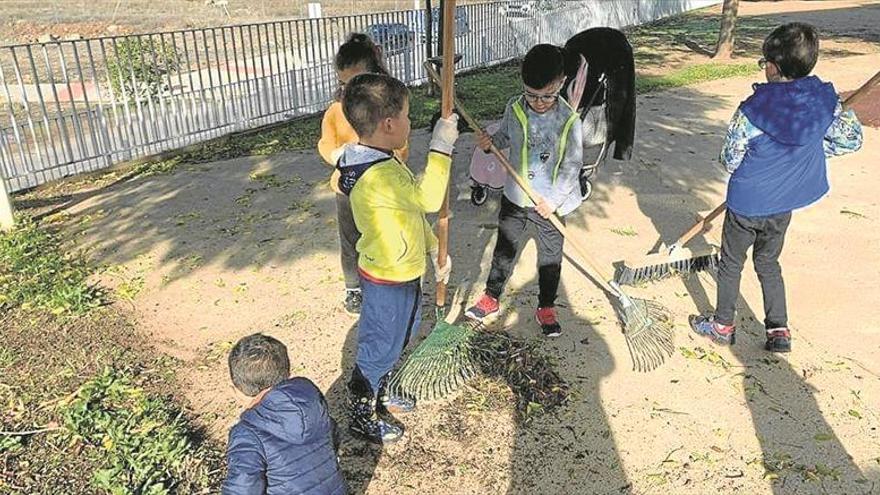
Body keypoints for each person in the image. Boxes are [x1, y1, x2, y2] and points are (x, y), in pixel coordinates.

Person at [689, 22, 863, 353]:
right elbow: (850, 141)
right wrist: (808, 149)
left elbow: (730, 158)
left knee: (730, 263)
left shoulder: (751, 110)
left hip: (746, 204)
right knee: (768, 263)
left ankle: (723, 325)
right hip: (783, 205)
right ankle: (778, 330)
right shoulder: (826, 101)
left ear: (773, 66)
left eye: (763, 61)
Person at [336, 72, 458, 444]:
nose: (410, 122)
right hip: (387, 278)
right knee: (380, 345)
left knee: (400, 335)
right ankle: (362, 410)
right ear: (388, 124)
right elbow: (428, 200)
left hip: (404, 269)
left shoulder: (382, 161)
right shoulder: (380, 175)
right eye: (406, 115)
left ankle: (382, 388)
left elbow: (409, 216)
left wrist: (432, 249)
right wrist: (441, 148)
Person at [465, 44, 584, 338]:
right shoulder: (515, 108)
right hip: (515, 197)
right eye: (531, 94)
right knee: (504, 249)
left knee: (550, 257)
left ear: (561, 83)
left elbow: (572, 167)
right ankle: (491, 297)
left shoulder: (569, 121)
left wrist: (554, 200)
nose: (539, 102)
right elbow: (506, 135)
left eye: (547, 95)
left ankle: (546, 307)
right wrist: (490, 142)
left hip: (550, 204)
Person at [317, 33, 409, 315]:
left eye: (356, 83)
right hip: (347, 190)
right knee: (350, 241)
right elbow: (325, 143)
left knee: (383, 236)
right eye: (343, 84)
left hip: (382, 191)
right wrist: (336, 156)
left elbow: (401, 145)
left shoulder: (388, 111)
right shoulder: (335, 111)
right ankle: (353, 288)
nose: (349, 91)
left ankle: (384, 280)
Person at [223, 333, 347, 494]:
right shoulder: (312, 404)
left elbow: (243, 488)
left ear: (236, 391)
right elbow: (333, 435)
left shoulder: (247, 434)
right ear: (287, 373)